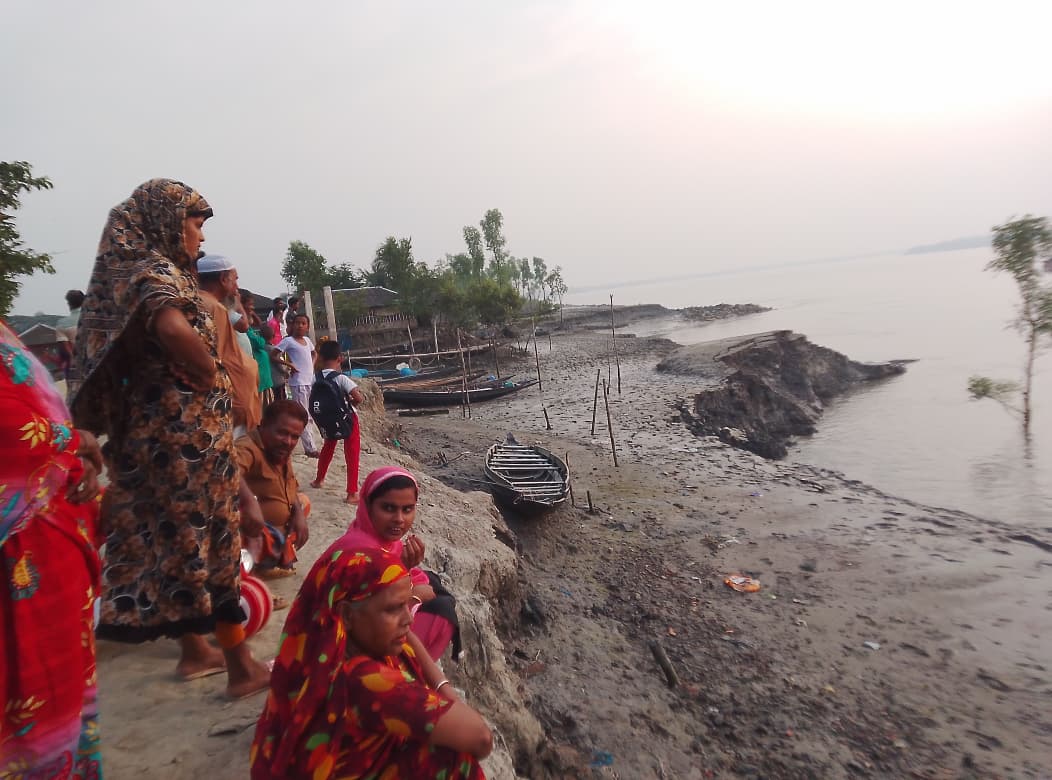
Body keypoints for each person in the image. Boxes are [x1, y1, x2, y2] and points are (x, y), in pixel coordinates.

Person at [68, 178, 272, 699]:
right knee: (212, 545)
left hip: (163, 436)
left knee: (181, 544)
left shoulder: (134, 272)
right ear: (166, 221)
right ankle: (240, 669)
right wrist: (208, 371)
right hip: (183, 441)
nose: (200, 236)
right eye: (196, 223)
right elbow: (173, 329)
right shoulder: (154, 273)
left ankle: (196, 652)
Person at [249, 545, 491, 779]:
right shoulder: (364, 681)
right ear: (347, 614)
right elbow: (481, 738)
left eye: (406, 604)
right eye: (393, 609)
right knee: (454, 760)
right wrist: (446, 691)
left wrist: (401, 624)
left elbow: (406, 639)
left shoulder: (319, 647)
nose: (408, 619)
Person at [0, 321, 104, 778]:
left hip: (49, 533)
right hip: (19, 551)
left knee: (61, 691)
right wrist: (74, 441)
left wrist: (71, 458)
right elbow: (12, 430)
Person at [340, 467, 461, 661]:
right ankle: (407, 665)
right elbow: (368, 609)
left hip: (380, 615)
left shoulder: (375, 537)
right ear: (368, 506)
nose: (399, 519)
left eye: (407, 509)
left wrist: (402, 567)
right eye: (388, 508)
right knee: (442, 611)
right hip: (362, 638)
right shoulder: (360, 553)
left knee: (433, 581)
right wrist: (414, 594)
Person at [235, 400, 311, 576]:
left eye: (295, 437)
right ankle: (257, 564)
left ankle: (279, 550)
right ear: (264, 425)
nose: (288, 441)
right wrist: (249, 502)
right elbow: (229, 470)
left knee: (303, 502)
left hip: (276, 527)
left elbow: (290, 486)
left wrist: (298, 514)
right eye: (282, 433)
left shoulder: (280, 449)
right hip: (254, 529)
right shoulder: (247, 447)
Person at [197, 254, 261, 434]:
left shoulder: (206, 302)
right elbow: (219, 356)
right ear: (223, 279)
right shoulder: (213, 307)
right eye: (235, 279)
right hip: (231, 396)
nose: (237, 286)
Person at [309, 339, 364, 503]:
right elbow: (358, 398)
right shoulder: (342, 379)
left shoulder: (315, 378)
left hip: (327, 418)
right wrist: (349, 404)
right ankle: (352, 493)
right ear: (340, 358)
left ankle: (319, 480)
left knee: (328, 446)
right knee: (352, 453)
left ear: (320, 358)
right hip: (347, 419)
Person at [277, 313, 319, 457]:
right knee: (303, 414)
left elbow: (314, 353)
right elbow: (274, 355)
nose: (300, 326)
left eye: (303, 323)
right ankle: (310, 448)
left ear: (307, 327)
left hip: (309, 381)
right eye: (297, 323)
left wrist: (312, 365)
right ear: (292, 325)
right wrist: (290, 365)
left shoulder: (307, 340)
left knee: (309, 414)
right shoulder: (288, 341)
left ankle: (310, 444)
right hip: (298, 382)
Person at [241, 291, 275, 406]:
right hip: (258, 382)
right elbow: (259, 342)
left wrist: (251, 313)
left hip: (263, 381)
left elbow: (261, 326)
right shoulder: (243, 328)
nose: (253, 307)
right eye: (250, 304)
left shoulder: (248, 328)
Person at [55, 290, 84, 379]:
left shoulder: (61, 324)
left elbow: (64, 348)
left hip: (76, 367)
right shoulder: (91, 317)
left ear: (69, 304)